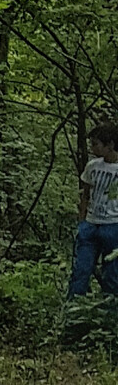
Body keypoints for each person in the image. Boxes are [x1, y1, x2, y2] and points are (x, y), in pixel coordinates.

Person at [73, 123, 118, 297]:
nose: (92, 148)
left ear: (110, 145)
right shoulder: (93, 166)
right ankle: (74, 310)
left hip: (113, 225)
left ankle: (108, 313)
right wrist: (81, 221)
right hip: (91, 224)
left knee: (112, 274)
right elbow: (85, 195)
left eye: (96, 144)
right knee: (81, 270)